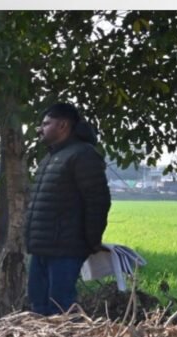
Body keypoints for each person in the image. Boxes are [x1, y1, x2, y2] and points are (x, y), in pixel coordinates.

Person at [25, 102, 111, 315]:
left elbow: (98, 201)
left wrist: (91, 241)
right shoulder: (50, 157)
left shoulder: (83, 155)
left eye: (46, 124)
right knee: (38, 306)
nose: (40, 129)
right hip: (42, 248)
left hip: (66, 248)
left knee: (61, 307)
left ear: (63, 125)